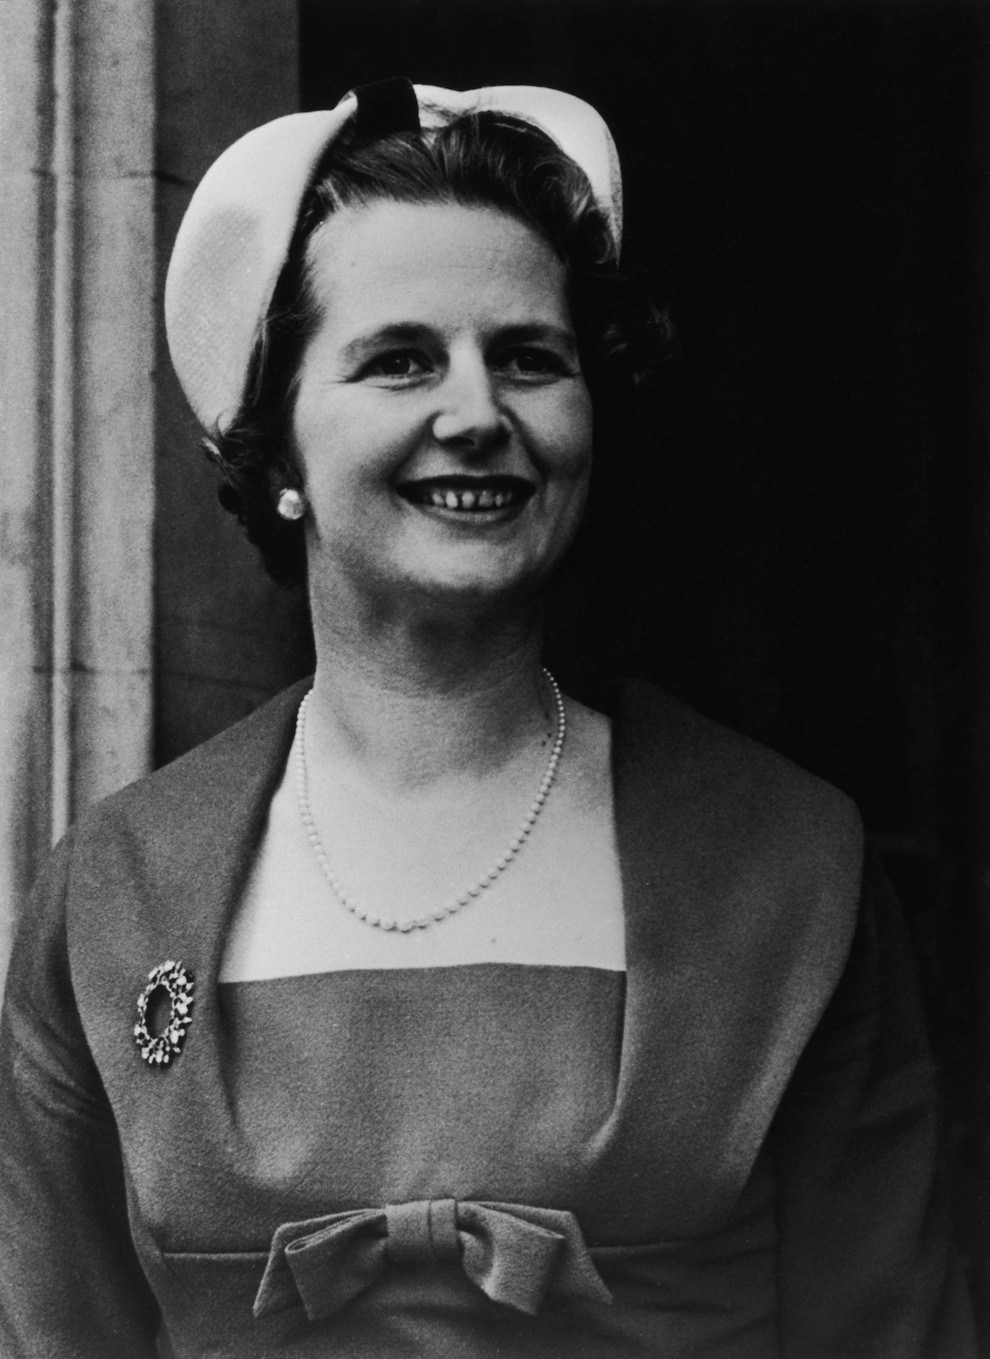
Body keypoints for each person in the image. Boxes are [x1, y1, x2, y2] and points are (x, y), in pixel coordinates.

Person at [0, 78, 975, 1358]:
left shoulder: (787, 863)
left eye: (529, 359)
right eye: (401, 360)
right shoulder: (117, 893)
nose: (477, 416)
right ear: (276, 451)